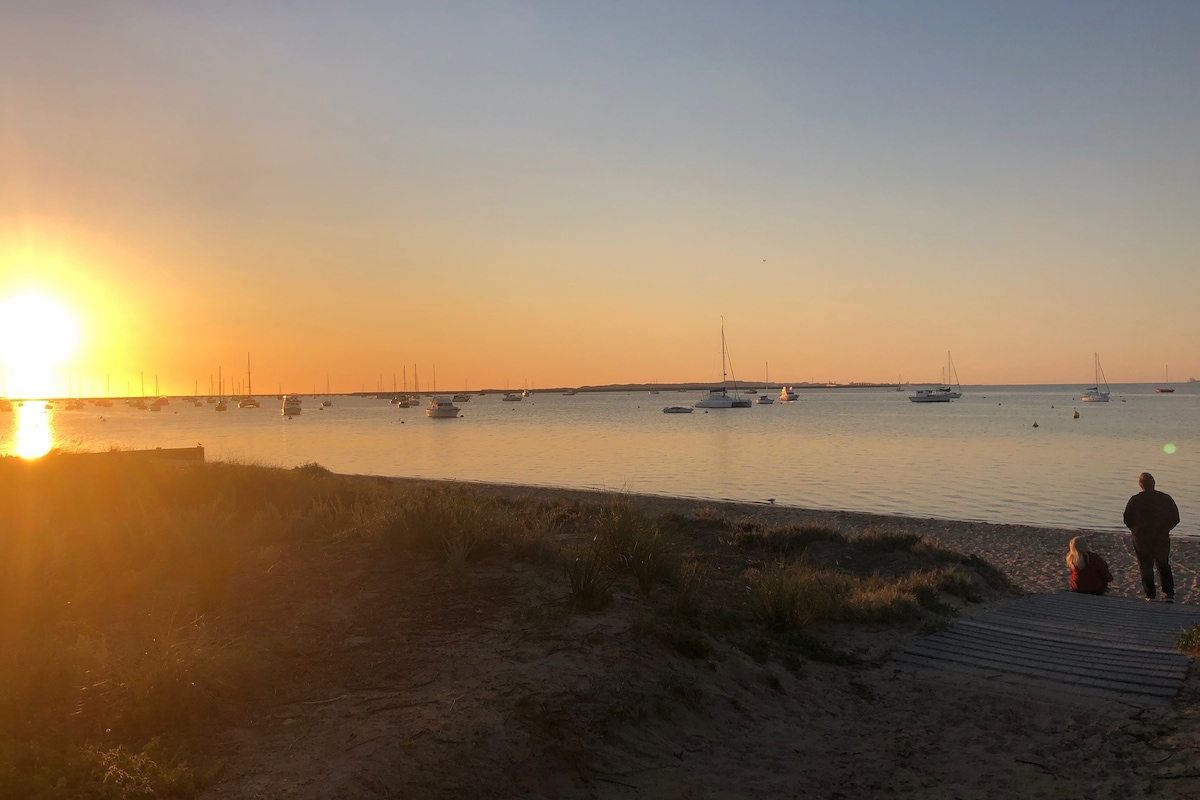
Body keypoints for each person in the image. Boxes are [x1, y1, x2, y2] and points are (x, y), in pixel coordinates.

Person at [1123, 472, 1180, 602]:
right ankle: (1168, 593)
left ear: (1141, 485)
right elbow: (1175, 518)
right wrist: (1165, 529)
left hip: (1142, 538)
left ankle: (1150, 594)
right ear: (1153, 483)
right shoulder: (1165, 498)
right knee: (1163, 564)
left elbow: (1127, 518)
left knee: (1145, 565)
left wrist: (1136, 531)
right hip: (1161, 536)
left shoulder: (1135, 500)